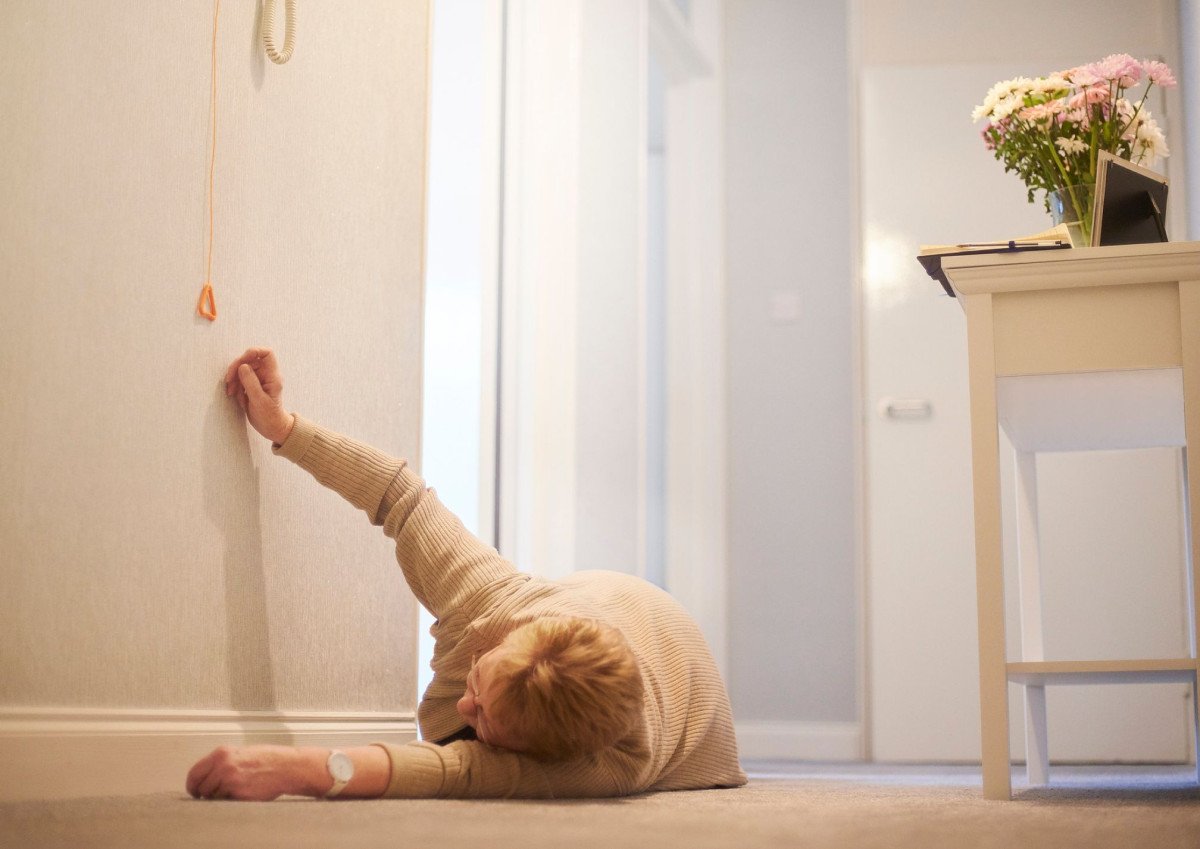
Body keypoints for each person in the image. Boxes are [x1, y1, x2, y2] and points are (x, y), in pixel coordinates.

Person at [186, 348, 747, 801]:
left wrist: (301, 769)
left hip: (689, 705)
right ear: (505, 638)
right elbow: (399, 496)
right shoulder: (489, 600)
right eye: (480, 683)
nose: (462, 705)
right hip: (618, 600)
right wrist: (283, 425)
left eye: (487, 721)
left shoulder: (607, 767)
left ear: (548, 753)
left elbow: (453, 771)